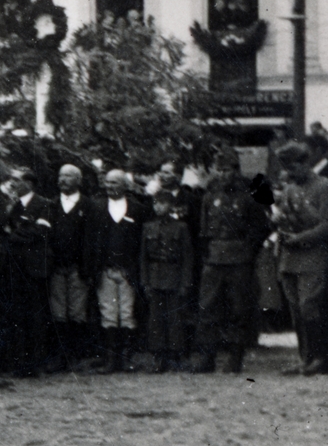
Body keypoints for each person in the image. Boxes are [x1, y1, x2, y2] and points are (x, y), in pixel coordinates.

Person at [192, 150, 269, 373]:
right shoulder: (210, 194)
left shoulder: (249, 195)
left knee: (238, 308)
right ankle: (207, 358)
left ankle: (235, 359)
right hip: (214, 259)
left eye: (228, 170)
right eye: (220, 169)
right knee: (207, 307)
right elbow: (204, 230)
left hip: (239, 260)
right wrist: (207, 254)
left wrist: (247, 253)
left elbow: (260, 229)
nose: (223, 174)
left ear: (236, 170)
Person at [83, 169, 146, 373]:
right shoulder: (97, 207)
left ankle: (127, 358)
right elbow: (90, 240)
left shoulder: (137, 209)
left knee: (127, 313)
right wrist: (93, 270)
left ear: (125, 185)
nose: (110, 187)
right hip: (105, 270)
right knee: (109, 314)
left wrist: (136, 269)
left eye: (115, 183)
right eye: (108, 183)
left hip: (128, 271)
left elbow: (141, 243)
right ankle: (111, 359)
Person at [274, 141, 328, 375]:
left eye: (292, 167)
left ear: (304, 164)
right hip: (290, 259)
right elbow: (284, 218)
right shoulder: (289, 190)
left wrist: (300, 238)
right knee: (296, 311)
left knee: (310, 307)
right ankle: (305, 358)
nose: (288, 173)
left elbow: (326, 225)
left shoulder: (324, 187)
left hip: (314, 257)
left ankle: (320, 357)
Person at [1, 168, 54, 377]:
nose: (13, 183)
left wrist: (13, 235)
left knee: (37, 316)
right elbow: (6, 229)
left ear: (30, 184)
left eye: (17, 180)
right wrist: (17, 233)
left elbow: (39, 232)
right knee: (19, 315)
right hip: (17, 269)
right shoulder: (14, 206)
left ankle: (37, 363)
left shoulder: (44, 204)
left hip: (36, 269)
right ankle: (22, 363)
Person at [140, 191, 195, 373]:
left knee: (175, 319)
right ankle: (158, 357)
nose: (158, 207)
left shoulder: (181, 228)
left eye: (163, 203)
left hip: (174, 278)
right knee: (155, 320)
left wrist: (185, 283)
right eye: (156, 203)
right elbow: (143, 258)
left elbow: (187, 258)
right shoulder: (148, 227)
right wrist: (145, 282)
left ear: (171, 206)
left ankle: (175, 356)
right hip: (155, 277)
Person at [49, 164, 91, 370]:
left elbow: (93, 241)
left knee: (77, 312)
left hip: (78, 268)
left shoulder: (88, 205)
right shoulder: (52, 205)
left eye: (67, 176)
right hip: (57, 267)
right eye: (60, 176)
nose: (62, 180)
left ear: (78, 180)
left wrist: (87, 268)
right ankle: (61, 356)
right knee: (58, 313)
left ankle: (76, 357)